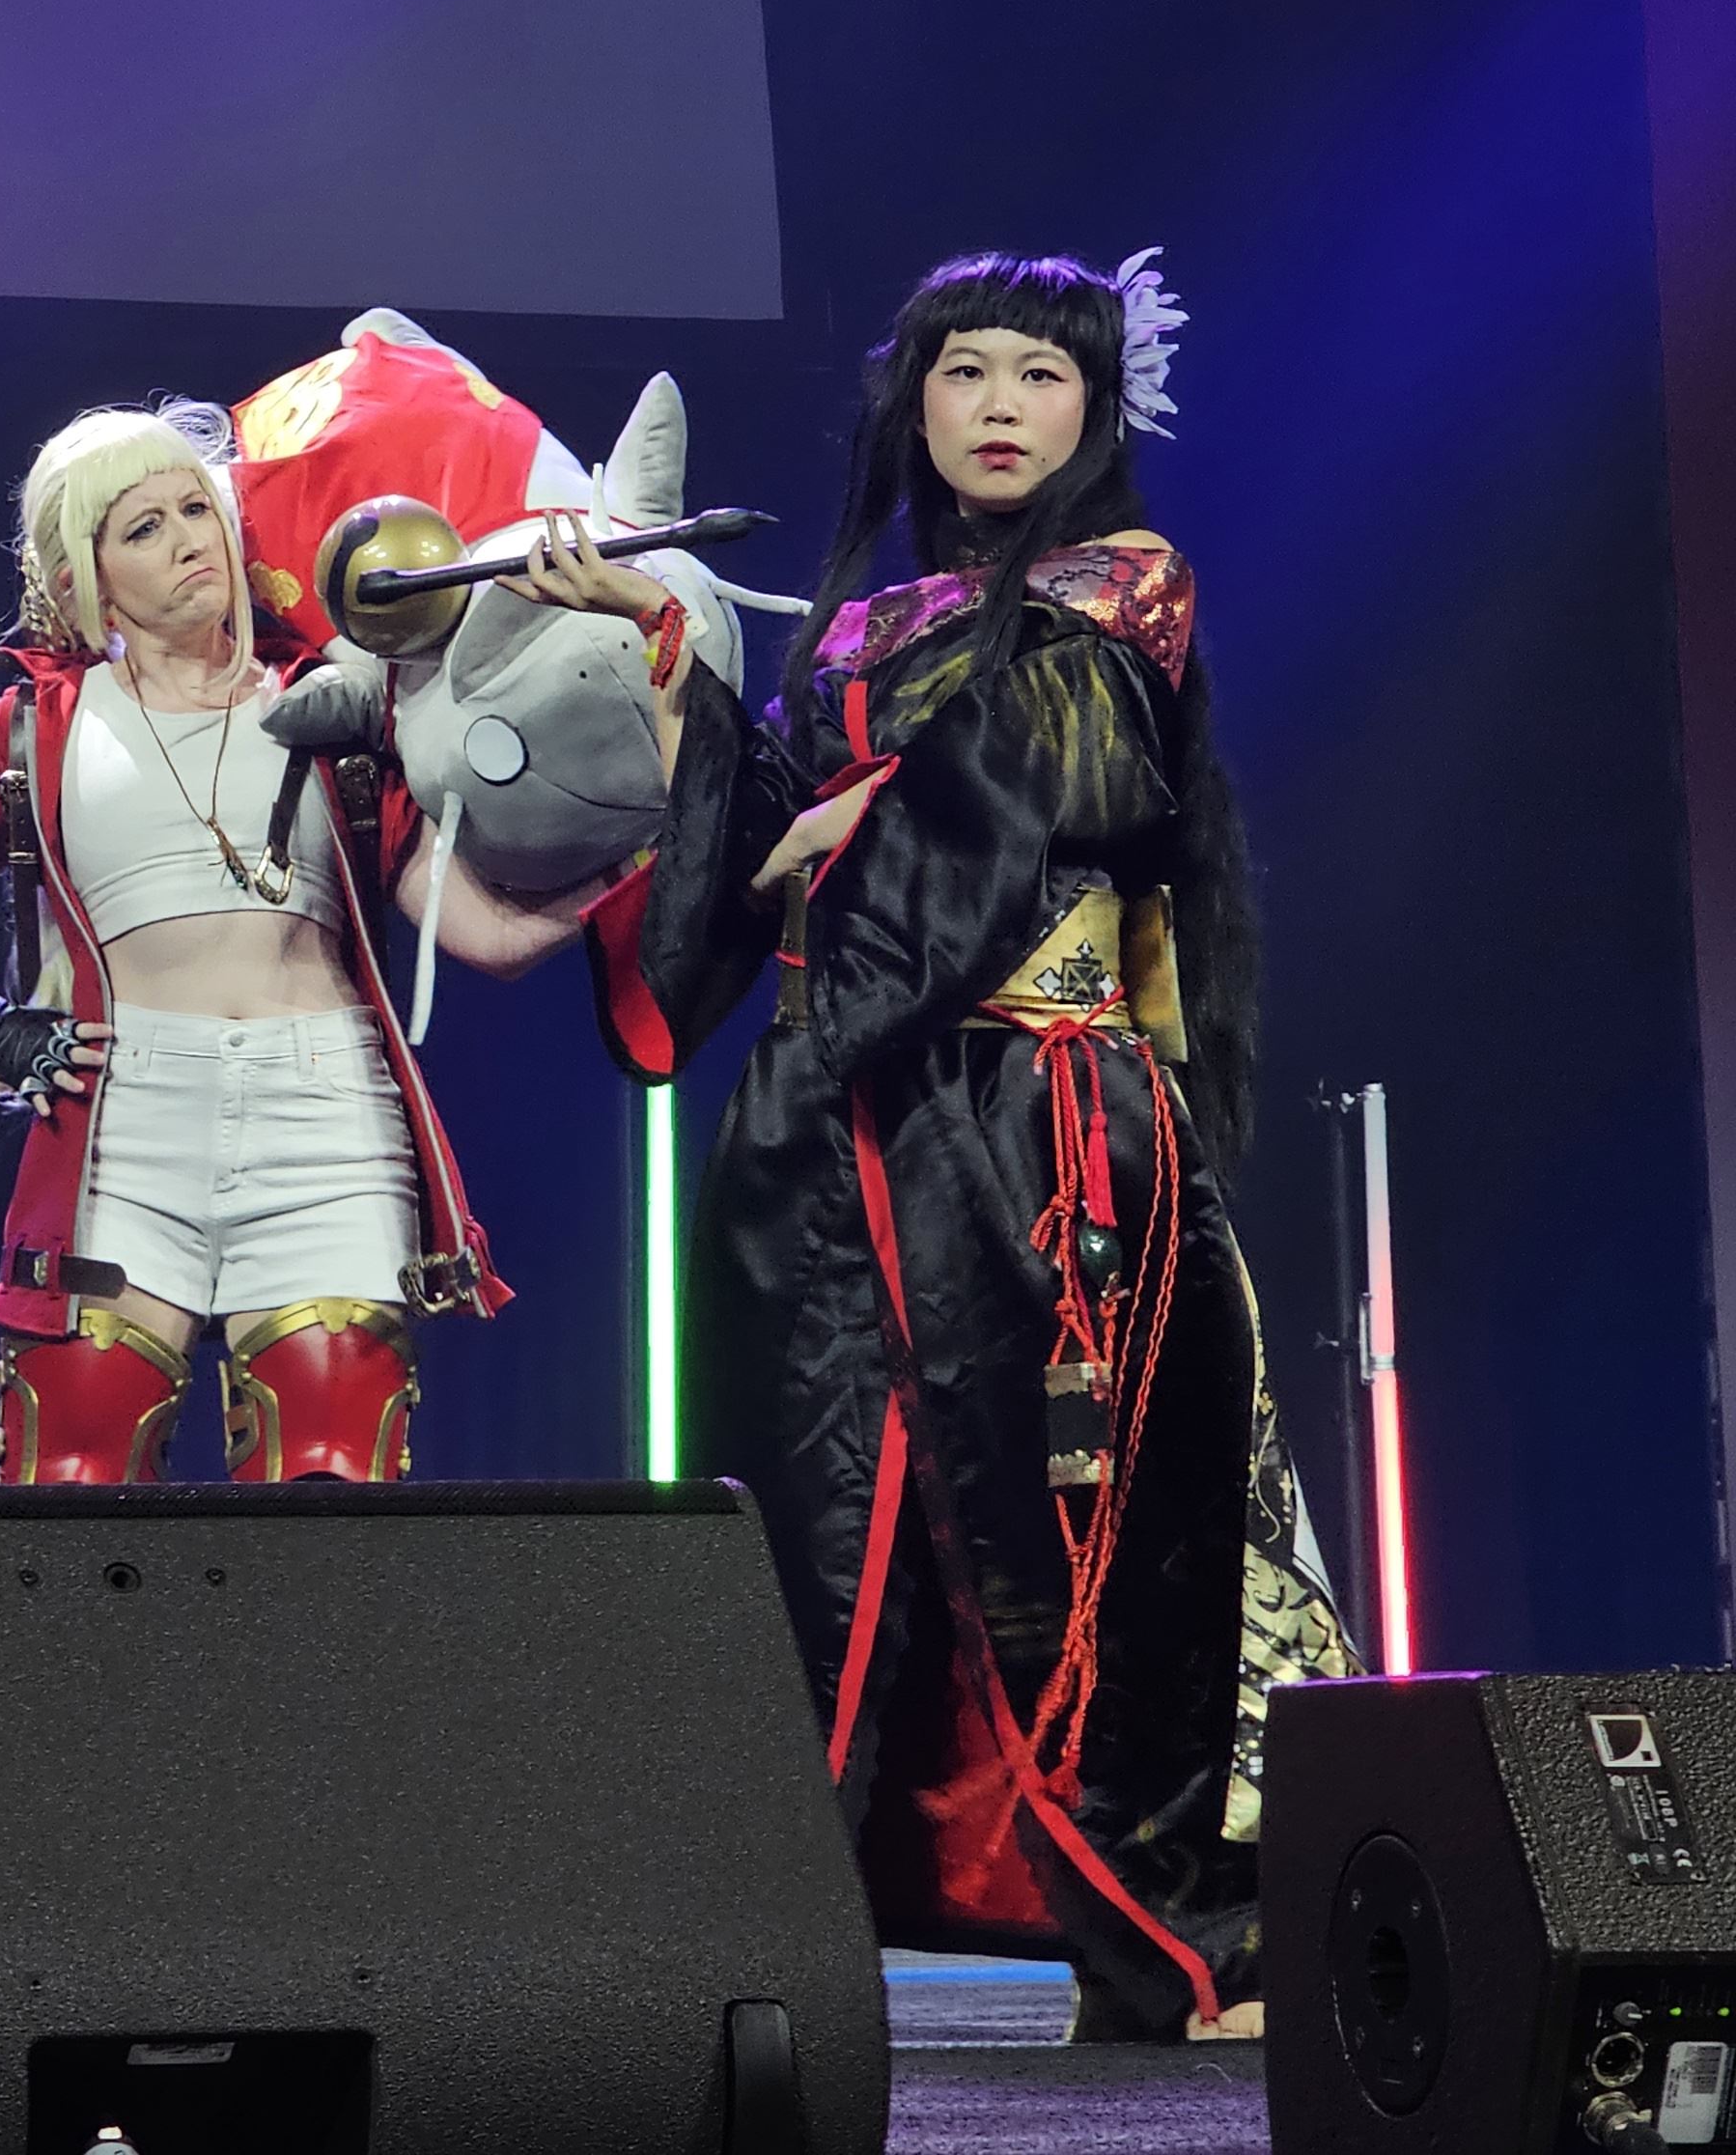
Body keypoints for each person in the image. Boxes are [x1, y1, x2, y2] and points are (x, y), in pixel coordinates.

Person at [544, 250, 1353, 2041]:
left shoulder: (1122, 586)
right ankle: (779, 1943)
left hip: (1042, 1123)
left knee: (1087, 1536)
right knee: (820, 1525)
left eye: (1040, 376)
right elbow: (760, 845)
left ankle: (1173, 1935)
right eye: (965, 371)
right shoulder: (863, 627)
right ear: (912, 406)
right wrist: (664, 648)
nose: (999, 406)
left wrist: (846, 822)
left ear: (1096, 411)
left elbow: (1034, 790)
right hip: (842, 1118)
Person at [0, 401, 581, 1485]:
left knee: (330, 1485)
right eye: (144, 527)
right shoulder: (36, 727)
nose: (188, 539)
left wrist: (654, 849)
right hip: (126, 1127)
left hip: (327, 1124)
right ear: (79, 578)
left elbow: (491, 935)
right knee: (75, 1474)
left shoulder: (332, 708)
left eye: (197, 509)